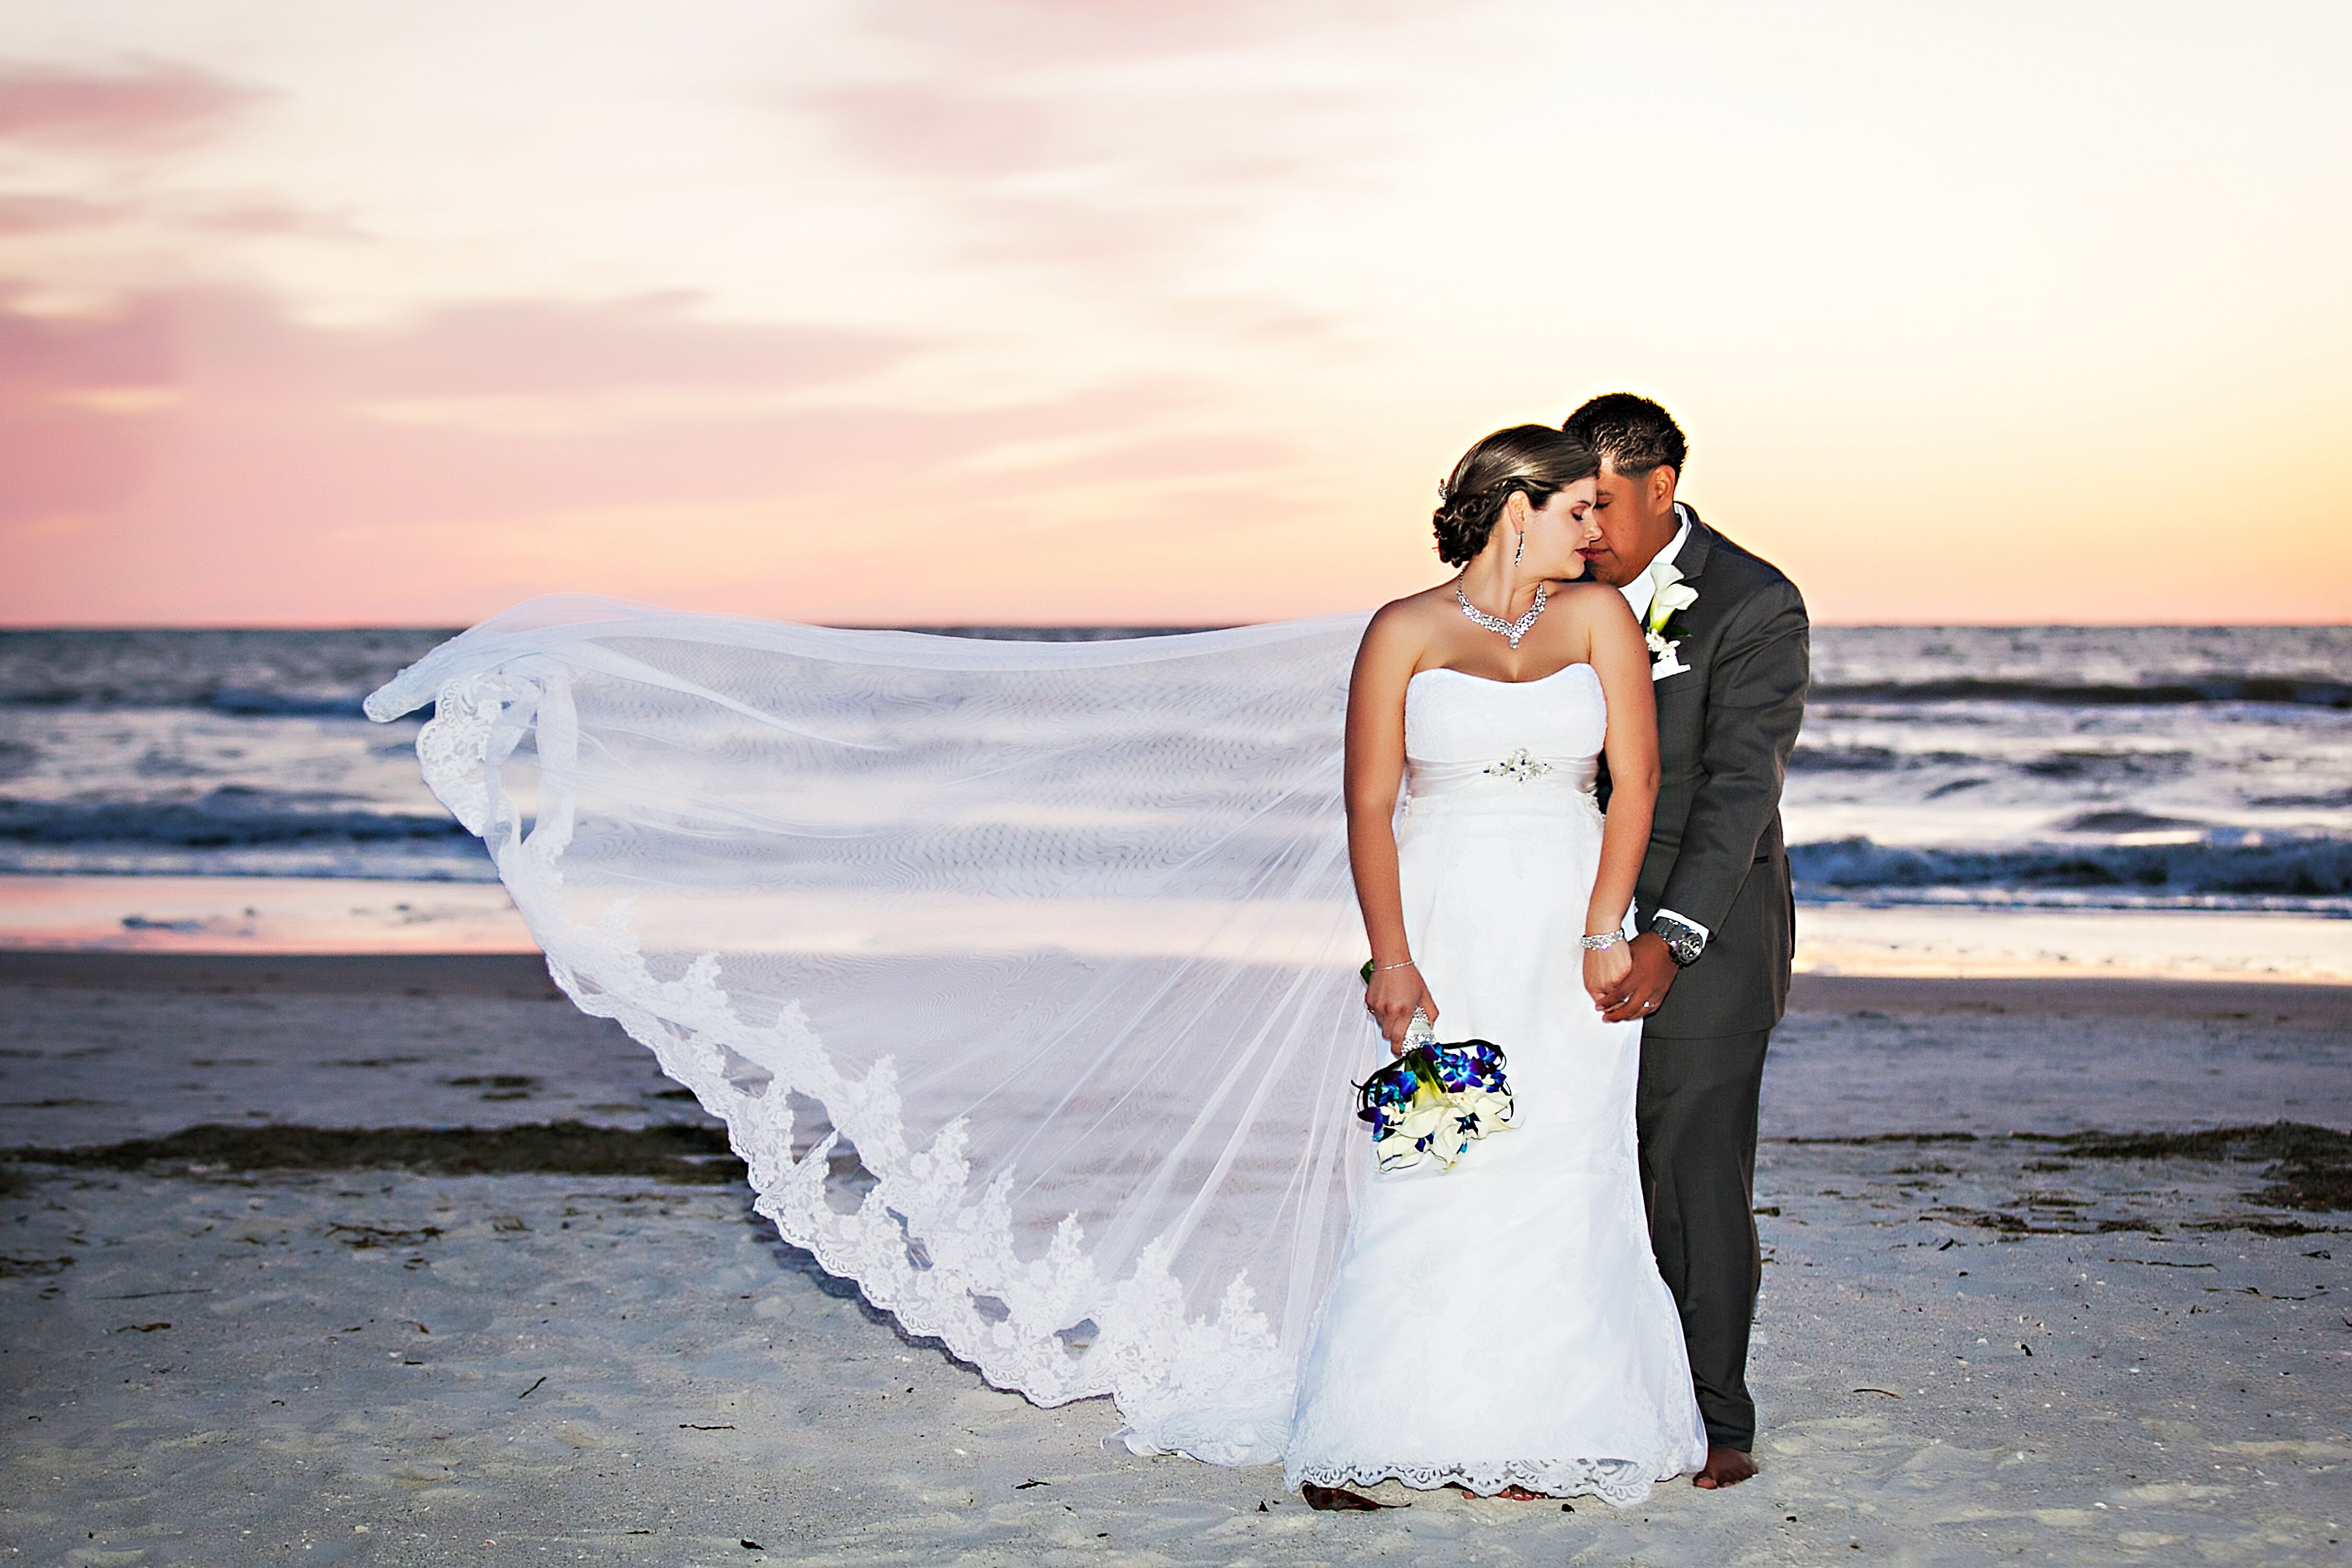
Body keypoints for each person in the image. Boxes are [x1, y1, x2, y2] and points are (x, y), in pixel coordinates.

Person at [1282, 425, 1709, 1503]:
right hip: (1448, 917)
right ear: (1519, 510)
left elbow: (1637, 784)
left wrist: (1604, 928)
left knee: (1566, 1154)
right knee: (1435, 1153)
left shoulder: (1602, 617)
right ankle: (1393, 1414)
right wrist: (1391, 957)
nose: (1600, 529)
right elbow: (1370, 804)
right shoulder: (1403, 632)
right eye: (1581, 509)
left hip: (1566, 917)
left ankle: (1545, 1424)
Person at [1561, 393, 1809, 1489]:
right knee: (1577, 1159)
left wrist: (1670, 936)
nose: (1585, 528)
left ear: (1662, 491)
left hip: (1705, 932)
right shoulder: (1558, 592)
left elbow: (1740, 795)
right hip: (1569, 919)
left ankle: (1719, 1418)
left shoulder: (1755, 605)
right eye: (1572, 505)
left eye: (1603, 504)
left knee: (1691, 1166)